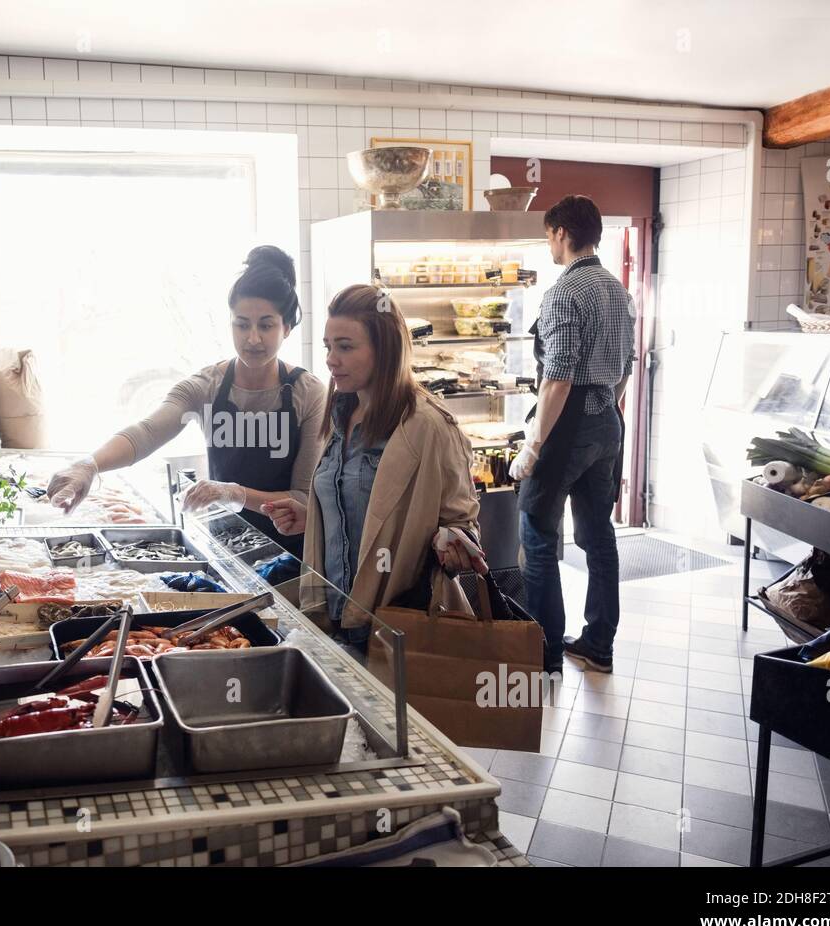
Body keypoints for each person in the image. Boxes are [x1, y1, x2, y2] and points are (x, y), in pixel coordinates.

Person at [46, 246, 327, 555]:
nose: (253, 338)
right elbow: (148, 431)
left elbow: (302, 499)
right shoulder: (206, 386)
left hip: (291, 555)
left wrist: (232, 492)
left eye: (266, 325)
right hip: (225, 550)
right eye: (242, 324)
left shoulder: (309, 393)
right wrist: (89, 465)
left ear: (286, 327)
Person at [263, 284, 488, 642]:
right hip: (333, 616)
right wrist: (316, 517)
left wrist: (454, 541)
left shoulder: (428, 426)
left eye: (346, 347)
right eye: (328, 346)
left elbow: (462, 522)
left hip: (395, 626)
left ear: (385, 349)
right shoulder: (338, 414)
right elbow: (363, 508)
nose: (331, 359)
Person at [509, 195, 636, 674]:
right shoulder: (618, 290)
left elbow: (557, 376)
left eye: (548, 236)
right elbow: (625, 367)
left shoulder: (565, 292)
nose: (549, 245)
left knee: (538, 534)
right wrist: (607, 411)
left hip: (569, 423)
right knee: (598, 535)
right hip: (608, 418)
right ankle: (598, 644)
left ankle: (544, 654)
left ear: (561, 233)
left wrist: (533, 445)